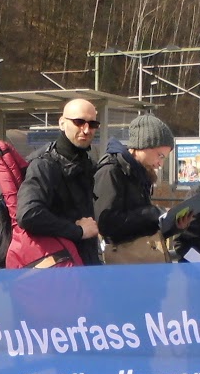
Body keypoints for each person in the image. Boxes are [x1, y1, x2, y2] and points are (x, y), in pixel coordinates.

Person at [18, 98, 103, 266]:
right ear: (62, 123)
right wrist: (78, 231)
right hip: (59, 268)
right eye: (79, 122)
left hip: (83, 263)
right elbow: (28, 215)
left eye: (92, 124)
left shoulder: (88, 164)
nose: (86, 130)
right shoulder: (44, 165)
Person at [95, 113, 175, 264]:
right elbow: (106, 223)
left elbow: (139, 225)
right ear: (143, 145)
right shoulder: (111, 171)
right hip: (126, 262)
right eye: (160, 156)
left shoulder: (139, 172)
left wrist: (173, 225)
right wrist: (153, 213)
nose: (160, 163)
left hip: (143, 257)